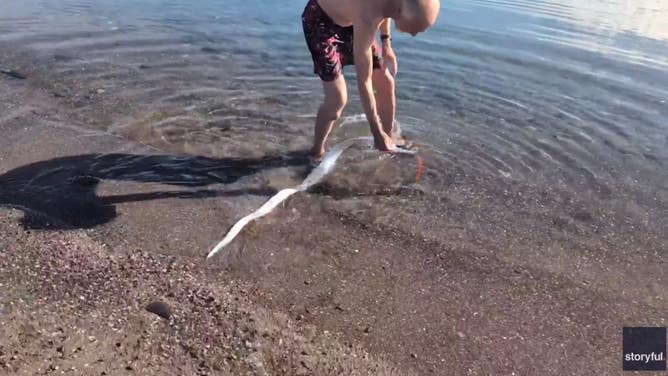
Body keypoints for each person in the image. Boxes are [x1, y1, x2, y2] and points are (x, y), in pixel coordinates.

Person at [302, 0, 440, 160]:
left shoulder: (393, 6)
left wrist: (386, 43)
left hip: (352, 21)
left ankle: (388, 137)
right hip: (321, 23)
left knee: (385, 81)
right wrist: (375, 132)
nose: (415, 34)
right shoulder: (367, 17)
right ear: (401, 10)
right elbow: (364, 82)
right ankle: (316, 151)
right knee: (337, 99)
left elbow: (387, 10)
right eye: (416, 28)